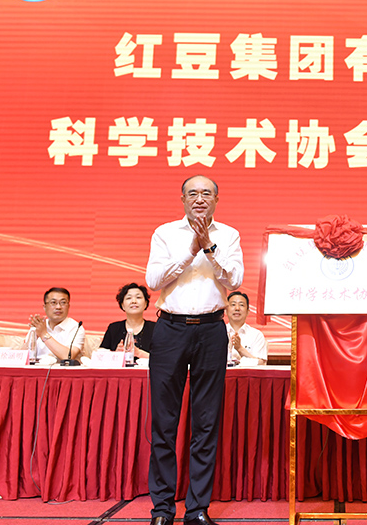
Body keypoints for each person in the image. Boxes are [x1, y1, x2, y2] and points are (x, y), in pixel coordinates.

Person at [145, 174, 243, 525]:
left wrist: (209, 248)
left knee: (206, 421)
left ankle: (198, 508)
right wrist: (190, 250)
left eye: (206, 193)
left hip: (211, 330)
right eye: (192, 193)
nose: (199, 199)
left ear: (216, 199)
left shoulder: (228, 235)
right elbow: (153, 281)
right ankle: (162, 509)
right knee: (164, 422)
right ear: (183, 199)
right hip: (170, 330)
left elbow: (234, 281)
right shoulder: (165, 233)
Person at [100, 282, 156, 359]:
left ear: (146, 303)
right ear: (122, 305)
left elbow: (164, 358)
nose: (134, 301)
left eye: (138, 297)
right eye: (129, 298)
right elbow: (100, 355)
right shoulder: (113, 328)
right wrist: (116, 354)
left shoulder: (155, 328)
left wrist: (139, 353)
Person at [26, 287, 84, 361]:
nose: (58, 307)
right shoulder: (39, 326)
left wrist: (44, 334)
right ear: (44, 307)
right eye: (53, 303)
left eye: (63, 303)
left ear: (68, 306)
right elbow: (22, 356)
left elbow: (68, 356)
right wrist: (33, 338)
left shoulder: (76, 328)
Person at [225, 291, 267, 365]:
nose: (237, 308)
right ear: (226, 311)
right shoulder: (218, 332)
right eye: (233, 304)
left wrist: (240, 348)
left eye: (241, 305)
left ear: (248, 311)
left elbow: (261, 364)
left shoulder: (256, 335)